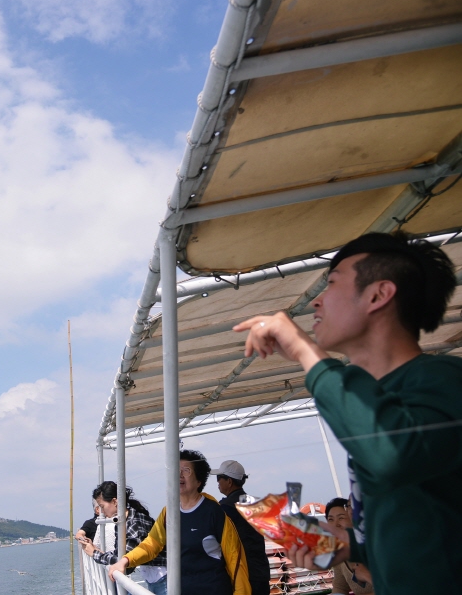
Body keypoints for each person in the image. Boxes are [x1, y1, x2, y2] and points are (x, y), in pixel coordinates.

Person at [233, 232, 461, 595]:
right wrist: (349, 546)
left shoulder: (443, 380)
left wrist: (305, 351)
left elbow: (391, 453)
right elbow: (423, 525)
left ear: (378, 295)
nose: (316, 303)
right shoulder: (378, 399)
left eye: (332, 283)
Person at [107, 450, 250, 595]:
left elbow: (235, 559)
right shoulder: (168, 512)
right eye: (176, 470)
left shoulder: (214, 512)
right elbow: (151, 544)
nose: (179, 475)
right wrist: (125, 561)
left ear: (199, 480)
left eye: (186, 470)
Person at [78, 481, 168, 595]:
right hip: (156, 578)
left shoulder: (134, 524)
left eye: (102, 506)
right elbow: (121, 554)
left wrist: (95, 553)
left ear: (115, 502)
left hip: (163, 578)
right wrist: (97, 550)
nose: (101, 512)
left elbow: (126, 563)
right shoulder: (124, 520)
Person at [211, 459, 270, 595]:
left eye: (219, 478)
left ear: (229, 481)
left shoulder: (226, 508)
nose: (218, 482)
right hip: (260, 571)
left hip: (241, 574)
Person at [325, 497, 374, 595]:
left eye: (341, 518)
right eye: (330, 519)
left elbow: (395, 586)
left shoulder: (373, 545)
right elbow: (340, 586)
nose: (335, 525)